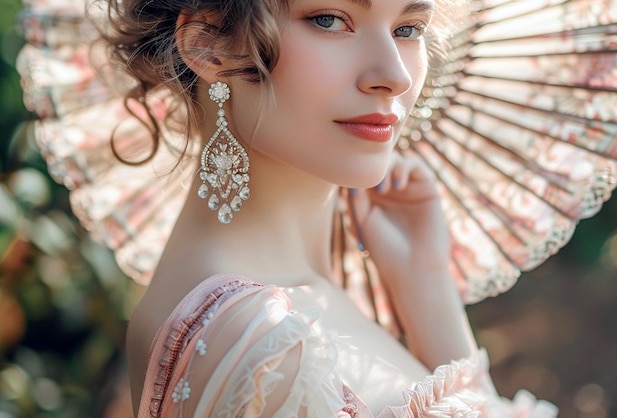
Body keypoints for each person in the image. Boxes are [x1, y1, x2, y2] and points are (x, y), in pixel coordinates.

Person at [96, 0, 558, 416]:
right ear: (209, 46)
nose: (394, 76)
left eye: (409, 28)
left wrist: (425, 285)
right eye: (330, 20)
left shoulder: (286, 310)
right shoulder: (257, 341)